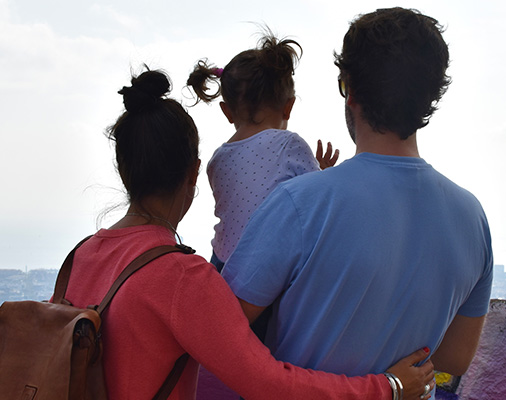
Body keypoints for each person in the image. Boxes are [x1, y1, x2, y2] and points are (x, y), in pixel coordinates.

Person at [63, 68, 436, 399]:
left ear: (123, 170)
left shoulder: (80, 258)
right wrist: (388, 388)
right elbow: (270, 386)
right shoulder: (180, 277)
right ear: (194, 173)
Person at [221, 8, 494, 399]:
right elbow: (455, 356)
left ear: (350, 90)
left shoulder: (299, 204)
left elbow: (221, 333)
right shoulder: (472, 218)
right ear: (429, 98)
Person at [186, 31, 339, 272]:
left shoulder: (217, 160)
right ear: (288, 107)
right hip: (267, 264)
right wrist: (324, 172)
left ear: (227, 112)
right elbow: (316, 200)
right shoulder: (289, 144)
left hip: (222, 262)